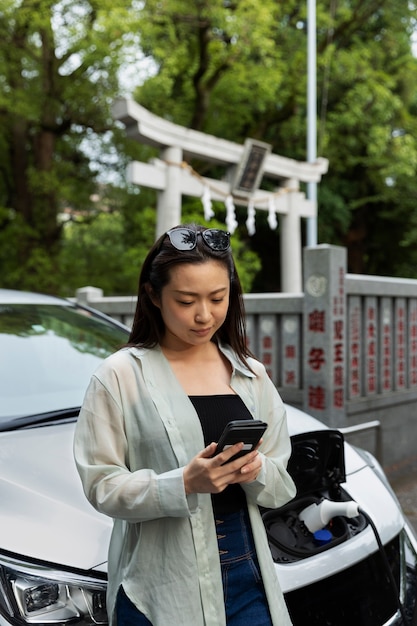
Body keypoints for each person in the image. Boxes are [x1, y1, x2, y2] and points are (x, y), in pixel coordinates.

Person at [73, 223, 296, 626]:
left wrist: (255, 469)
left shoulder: (251, 374)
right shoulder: (119, 376)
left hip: (249, 574)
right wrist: (184, 483)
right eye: (186, 300)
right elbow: (101, 485)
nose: (204, 315)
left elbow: (281, 487)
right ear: (154, 296)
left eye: (217, 298)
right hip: (159, 586)